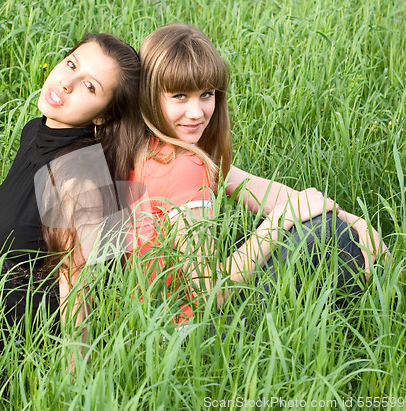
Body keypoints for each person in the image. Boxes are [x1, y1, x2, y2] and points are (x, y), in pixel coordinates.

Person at [128, 23, 387, 322]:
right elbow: (209, 291)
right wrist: (278, 223)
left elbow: (276, 196)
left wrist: (356, 220)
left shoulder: (151, 149)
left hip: (152, 320)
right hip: (193, 334)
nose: (197, 112)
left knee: (321, 223)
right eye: (180, 96)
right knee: (325, 234)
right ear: (148, 94)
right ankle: (367, 314)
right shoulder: (183, 167)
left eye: (206, 94)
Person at [0, 32, 143, 354]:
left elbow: (78, 301)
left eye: (90, 87)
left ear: (103, 115)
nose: (66, 83)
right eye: (71, 64)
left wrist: (72, 388)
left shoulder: (76, 180)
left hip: (16, 347)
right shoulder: (36, 130)